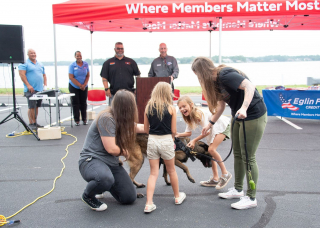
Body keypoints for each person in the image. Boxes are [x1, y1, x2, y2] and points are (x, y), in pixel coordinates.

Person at [191, 57, 267, 210]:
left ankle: (251, 197)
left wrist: (244, 108)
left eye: (197, 74)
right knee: (238, 154)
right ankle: (238, 190)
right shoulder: (215, 83)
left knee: (248, 157)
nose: (198, 78)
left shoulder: (225, 75)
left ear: (202, 71)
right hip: (237, 116)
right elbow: (220, 106)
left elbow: (249, 87)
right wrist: (210, 124)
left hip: (253, 115)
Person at [79, 90, 145, 211]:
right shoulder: (106, 118)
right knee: (105, 178)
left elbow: (139, 127)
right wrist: (126, 151)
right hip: (91, 161)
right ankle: (88, 196)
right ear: (127, 107)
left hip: (110, 164)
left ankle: (102, 185)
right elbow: (112, 149)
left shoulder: (121, 119)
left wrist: (160, 128)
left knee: (129, 197)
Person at [143, 82, 186, 213]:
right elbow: (174, 130)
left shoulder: (148, 107)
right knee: (171, 170)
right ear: (168, 93)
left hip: (152, 141)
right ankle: (177, 197)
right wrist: (172, 139)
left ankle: (149, 203)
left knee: (153, 173)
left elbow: (146, 129)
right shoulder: (171, 108)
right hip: (167, 140)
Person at [176, 96, 232, 189]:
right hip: (213, 129)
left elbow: (207, 131)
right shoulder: (189, 117)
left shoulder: (199, 113)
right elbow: (188, 133)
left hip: (221, 126)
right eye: (180, 108)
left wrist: (194, 140)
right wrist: (177, 134)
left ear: (191, 105)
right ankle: (215, 179)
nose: (182, 109)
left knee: (211, 150)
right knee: (211, 153)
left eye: (184, 106)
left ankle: (225, 174)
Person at [18, 49, 47, 128]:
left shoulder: (40, 64)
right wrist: (28, 85)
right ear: (28, 54)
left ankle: (33, 122)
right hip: (31, 89)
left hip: (40, 89)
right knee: (32, 106)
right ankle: (32, 123)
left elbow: (44, 75)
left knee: (36, 106)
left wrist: (45, 85)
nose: (33, 54)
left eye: (34, 53)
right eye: (31, 53)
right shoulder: (24, 64)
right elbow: (22, 75)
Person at [68, 51, 90, 126]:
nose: (79, 57)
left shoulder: (86, 64)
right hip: (74, 86)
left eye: (80, 55)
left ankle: (84, 119)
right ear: (75, 57)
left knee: (83, 103)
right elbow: (71, 77)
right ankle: (77, 120)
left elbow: (87, 75)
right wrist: (80, 85)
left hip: (84, 86)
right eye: (77, 56)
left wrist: (84, 85)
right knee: (76, 103)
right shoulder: (72, 65)